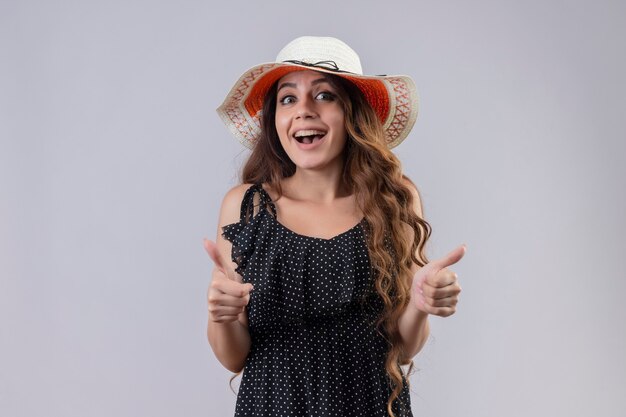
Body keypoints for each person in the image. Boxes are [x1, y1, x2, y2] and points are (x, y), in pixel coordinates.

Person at [204, 36, 466, 417]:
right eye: (288, 98)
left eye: (324, 96)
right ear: (275, 119)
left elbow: (403, 346)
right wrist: (222, 316)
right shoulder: (247, 207)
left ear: (352, 114)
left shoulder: (393, 199)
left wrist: (420, 305)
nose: (304, 110)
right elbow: (233, 357)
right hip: (272, 406)